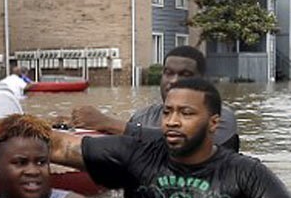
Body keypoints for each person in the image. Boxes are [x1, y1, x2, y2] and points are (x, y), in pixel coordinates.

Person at [47, 77, 291, 198]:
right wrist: (25, 127)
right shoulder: (134, 154)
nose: (172, 122)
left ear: (213, 123)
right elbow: (59, 147)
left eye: (186, 113)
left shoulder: (247, 173)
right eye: (167, 112)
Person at [71, 45, 240, 152]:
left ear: (202, 80)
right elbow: (121, 145)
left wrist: (107, 122)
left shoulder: (220, 117)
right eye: (168, 73)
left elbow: (192, 143)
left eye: (185, 74)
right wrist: (74, 125)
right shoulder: (142, 116)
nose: (173, 81)